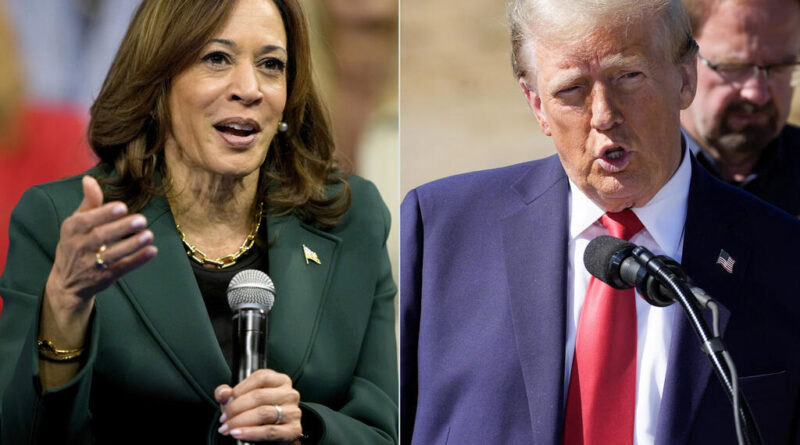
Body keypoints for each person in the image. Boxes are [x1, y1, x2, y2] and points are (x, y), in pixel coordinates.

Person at [400, 0, 800, 444]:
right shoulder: (440, 231)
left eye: (628, 77)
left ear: (685, 78)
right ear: (536, 104)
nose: (604, 114)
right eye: (571, 89)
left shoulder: (785, 257)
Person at [0, 1, 398, 444]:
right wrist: (64, 309)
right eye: (216, 59)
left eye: (271, 64)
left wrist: (307, 428)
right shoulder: (65, 223)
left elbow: (383, 431)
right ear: (160, 78)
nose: (250, 88)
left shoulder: (349, 218)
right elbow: (20, 432)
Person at [680, 0, 800, 216]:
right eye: (734, 68)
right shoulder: (629, 179)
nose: (757, 94)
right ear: (681, 60)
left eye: (780, 67)